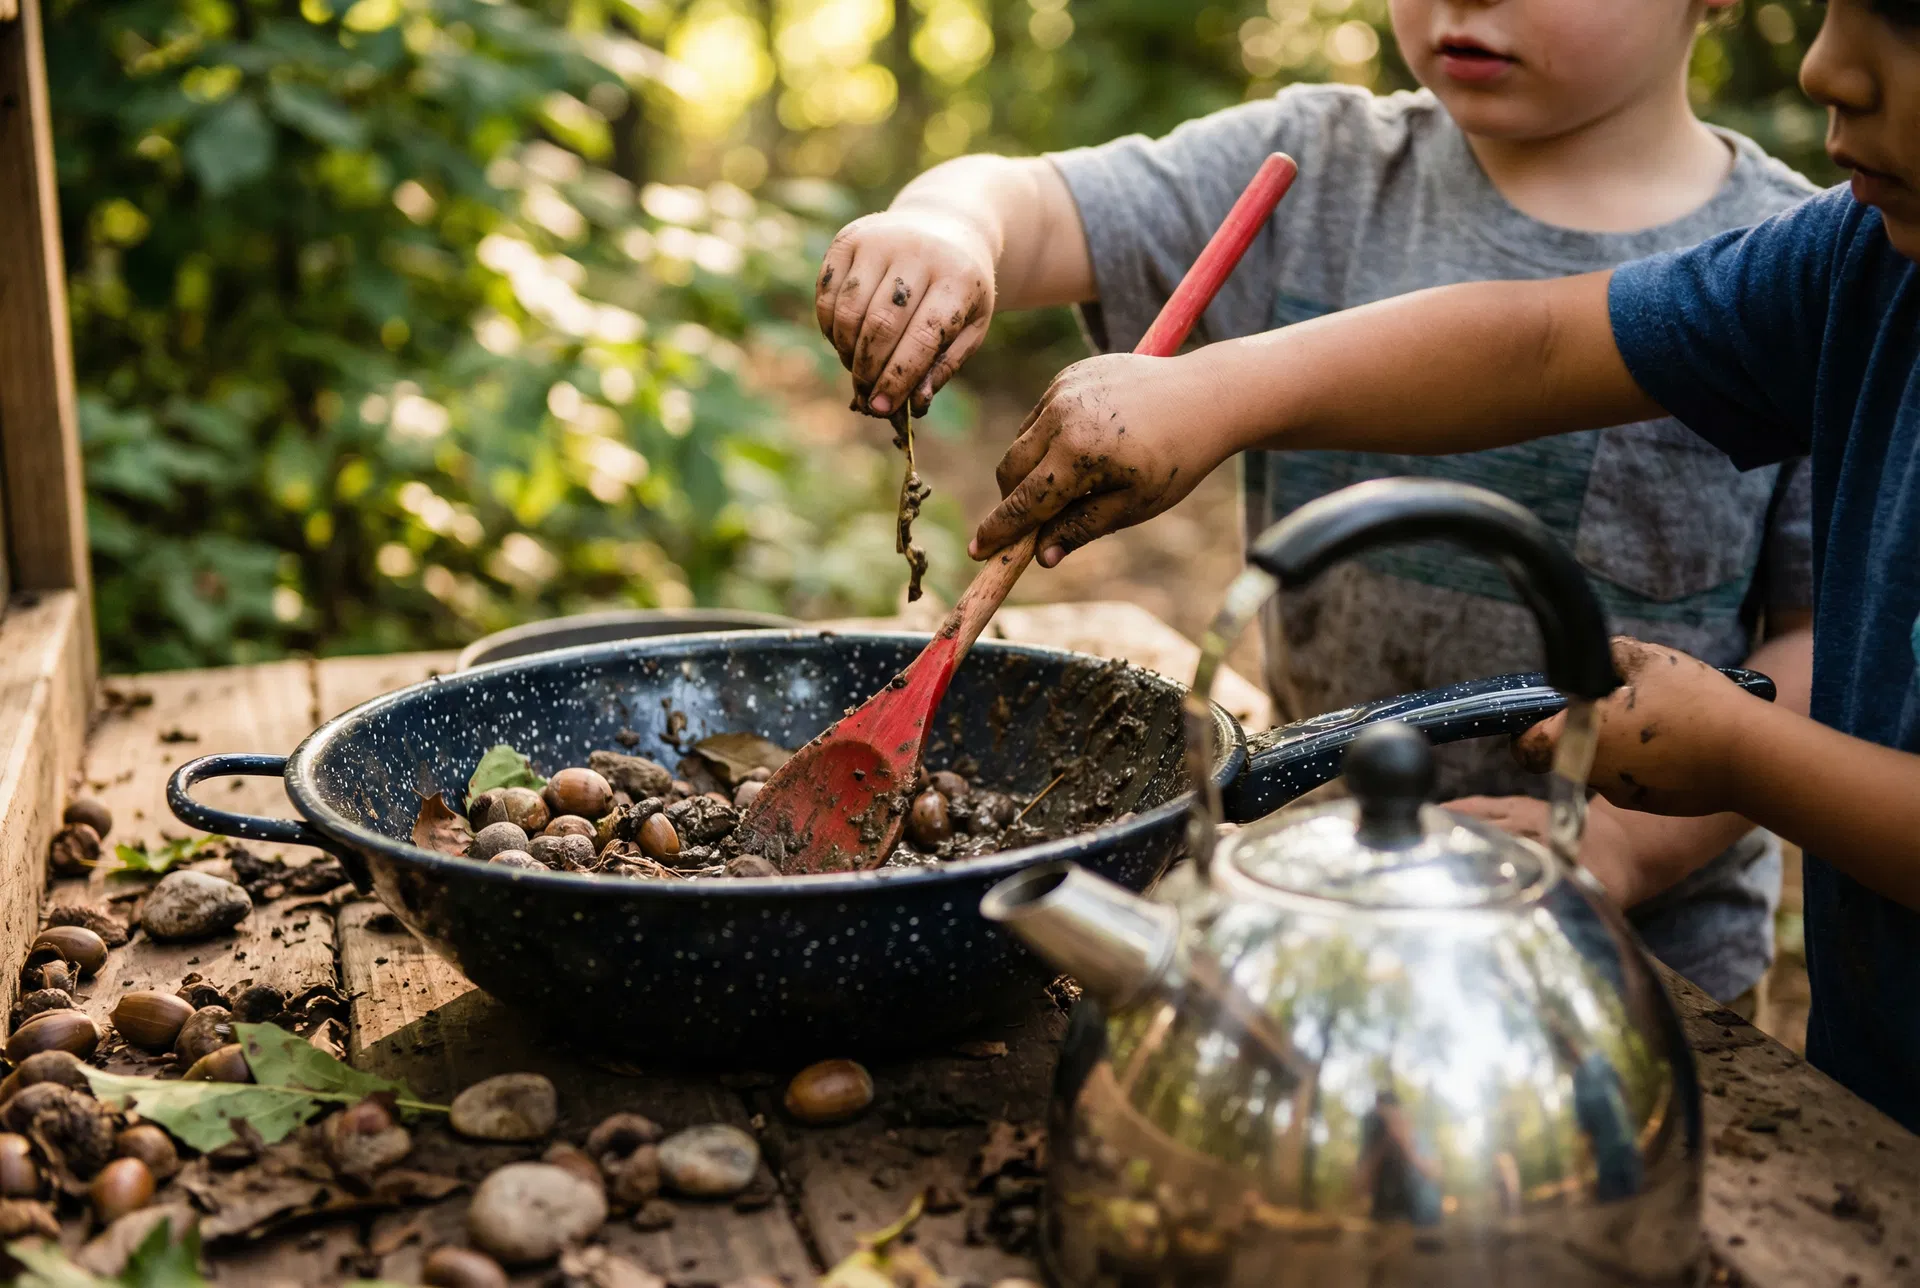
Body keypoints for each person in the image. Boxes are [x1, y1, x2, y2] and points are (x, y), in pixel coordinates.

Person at [965, 0, 1920, 1129]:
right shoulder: (1864, 261)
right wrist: (1215, 391)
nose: (1826, 68)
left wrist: (1745, 762)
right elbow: (1545, 342)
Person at [813, 0, 1816, 1009]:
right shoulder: (1313, 165)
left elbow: (1817, 645)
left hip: (1640, 971)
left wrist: (1627, 847)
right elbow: (1032, 201)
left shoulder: (1800, 277)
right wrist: (947, 225)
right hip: (1315, 903)